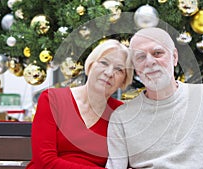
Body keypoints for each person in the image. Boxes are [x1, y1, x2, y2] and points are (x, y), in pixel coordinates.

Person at [106, 28, 203, 169]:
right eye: (140, 57)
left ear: (174, 57)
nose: (149, 62)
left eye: (157, 53)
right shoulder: (122, 117)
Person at [26, 39, 133, 169]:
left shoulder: (120, 113)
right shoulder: (52, 99)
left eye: (119, 70)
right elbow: (45, 161)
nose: (109, 73)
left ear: (124, 81)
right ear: (90, 65)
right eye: (104, 63)